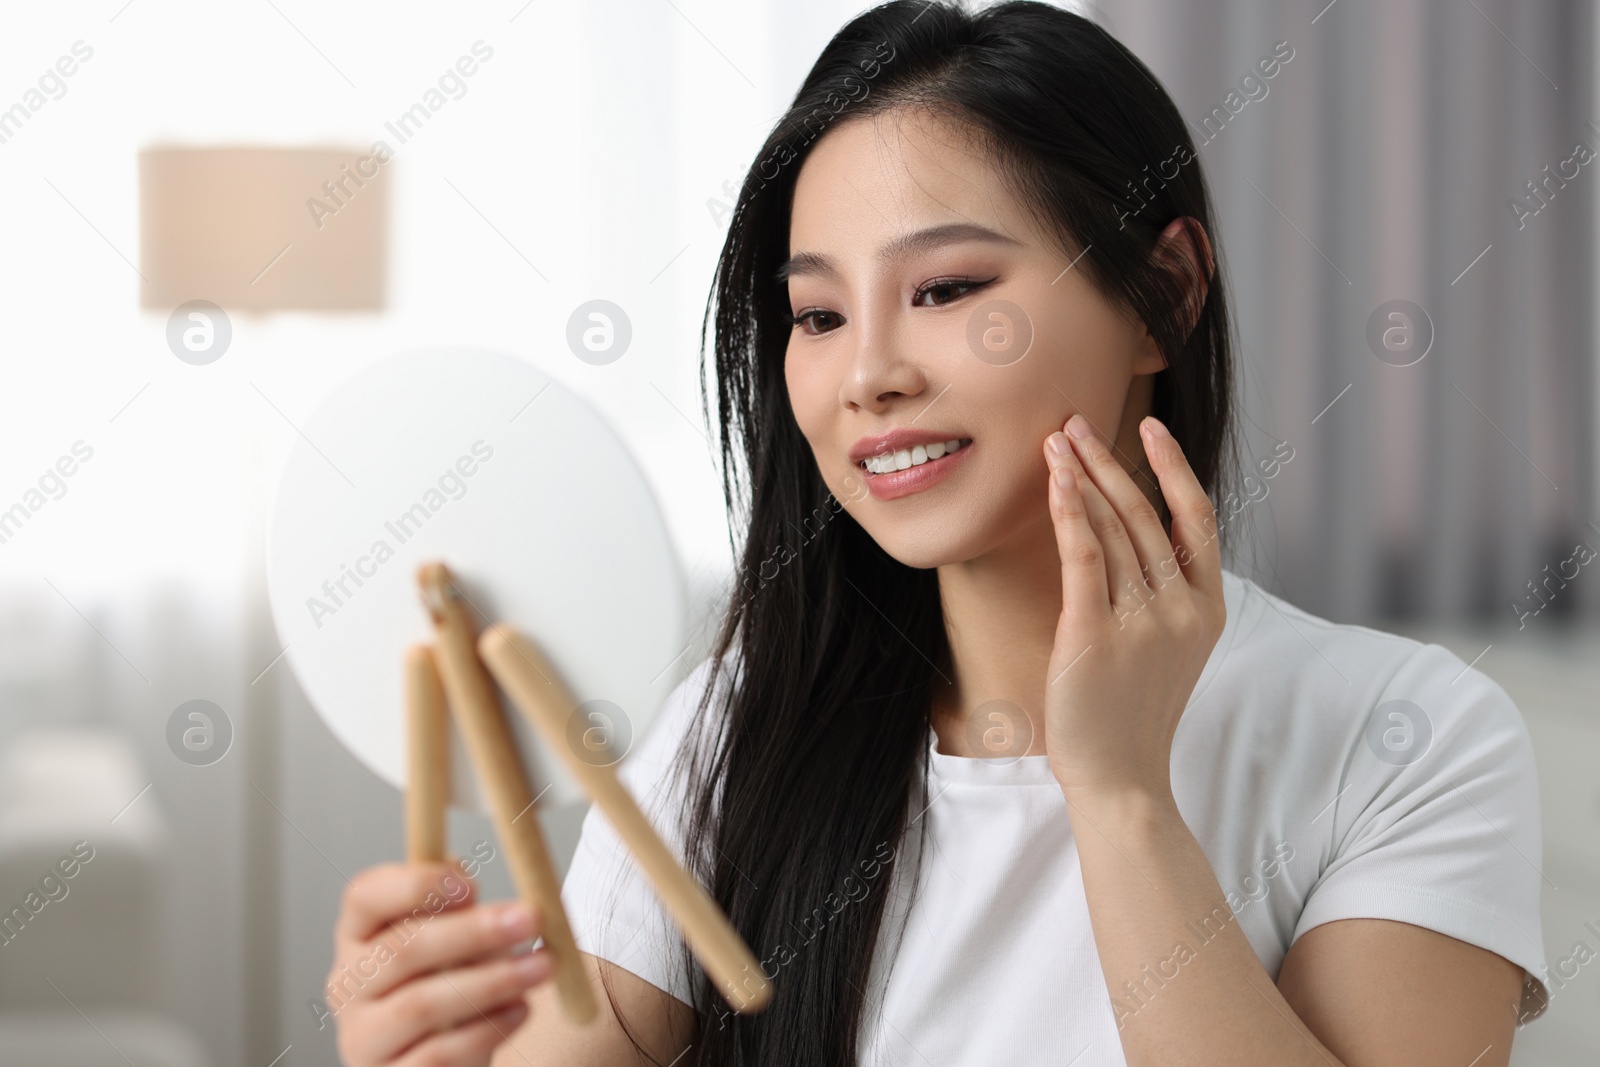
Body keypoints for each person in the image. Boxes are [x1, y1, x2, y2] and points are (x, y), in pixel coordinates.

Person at [324, 2, 1549, 1064]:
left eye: (948, 289)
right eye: (814, 312)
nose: (865, 376)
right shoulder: (737, 725)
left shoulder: (1405, 740)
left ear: (1164, 293)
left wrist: (1118, 792)